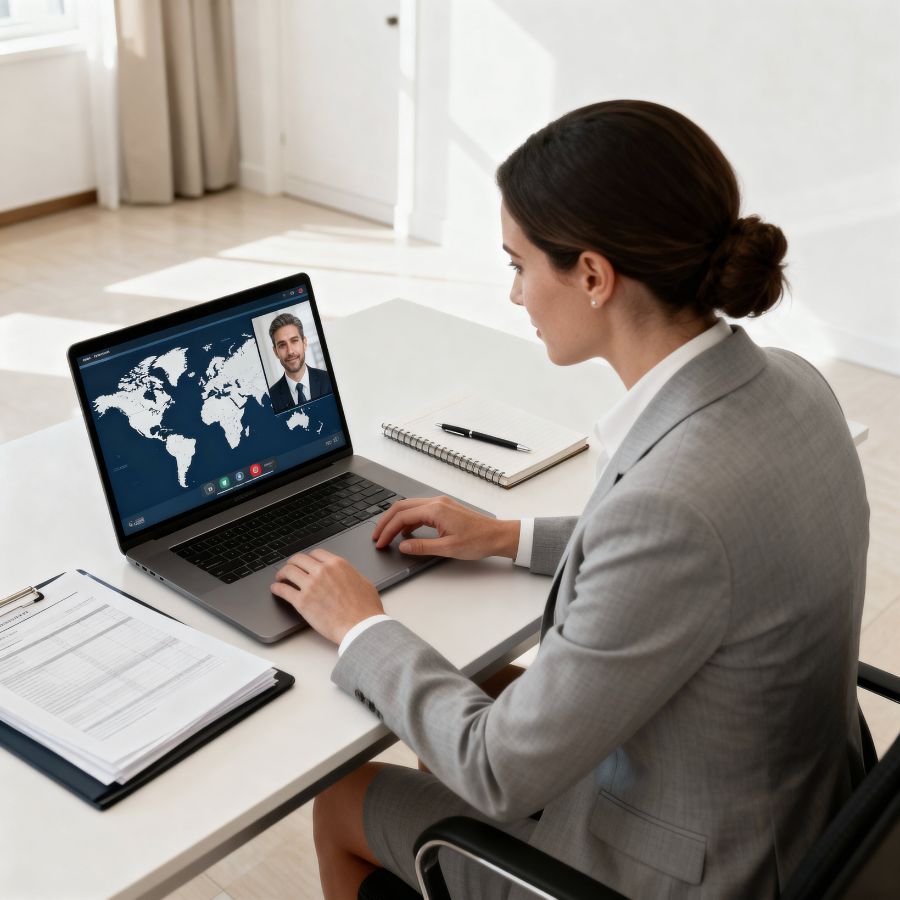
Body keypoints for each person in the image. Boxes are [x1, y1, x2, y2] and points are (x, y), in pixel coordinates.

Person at [270, 100, 869, 898]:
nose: (515, 294)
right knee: (473, 686)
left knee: (344, 799)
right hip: (795, 809)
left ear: (592, 275)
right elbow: (694, 552)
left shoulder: (673, 511)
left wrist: (361, 627)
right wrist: (504, 535)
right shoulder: (793, 382)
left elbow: (497, 771)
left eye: (518, 265)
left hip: (700, 873)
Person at [267, 312, 333, 414]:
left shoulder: (329, 380)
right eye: (282, 345)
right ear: (275, 352)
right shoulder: (269, 399)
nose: (290, 351)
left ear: (304, 343)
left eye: (294, 341)